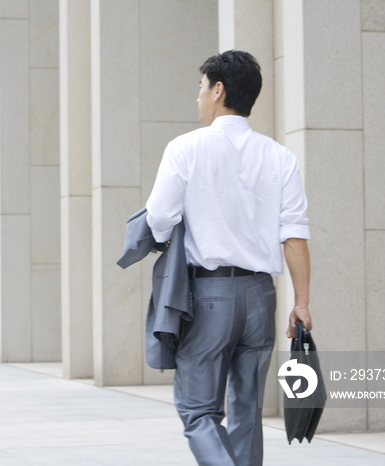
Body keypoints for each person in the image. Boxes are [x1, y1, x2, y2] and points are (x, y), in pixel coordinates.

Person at [145, 51, 312, 466]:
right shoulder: (279, 156)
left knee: (199, 410)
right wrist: (302, 303)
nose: (198, 98)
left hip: (208, 295)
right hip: (260, 296)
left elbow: (160, 217)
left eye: (200, 88)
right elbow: (294, 235)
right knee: (245, 413)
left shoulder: (185, 148)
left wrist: (170, 235)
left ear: (218, 90)